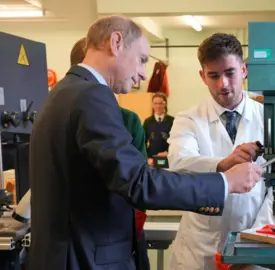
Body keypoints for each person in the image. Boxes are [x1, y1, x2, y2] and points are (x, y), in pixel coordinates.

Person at [28, 16, 263, 270]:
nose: (142, 73)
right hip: (84, 258)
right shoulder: (92, 96)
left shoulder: (63, 92)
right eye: (141, 60)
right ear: (116, 42)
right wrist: (226, 181)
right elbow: (138, 183)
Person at [168, 33, 275, 270]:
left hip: (256, 244)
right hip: (200, 249)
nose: (222, 84)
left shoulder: (270, 118)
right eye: (213, 75)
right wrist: (223, 163)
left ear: (244, 70)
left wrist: (253, 244)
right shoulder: (188, 119)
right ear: (203, 76)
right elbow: (179, 166)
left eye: (230, 73)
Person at [70, 36, 151, 270]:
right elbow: (140, 184)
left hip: (121, 233)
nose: (141, 74)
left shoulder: (129, 120)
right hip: (98, 238)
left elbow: (138, 184)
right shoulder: (75, 109)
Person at [143, 93, 174, 165]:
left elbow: (177, 141)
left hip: (168, 158)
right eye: (155, 103)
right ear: (152, 105)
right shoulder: (147, 122)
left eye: (160, 103)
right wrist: (147, 157)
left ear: (165, 104)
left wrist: (167, 152)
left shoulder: (173, 121)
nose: (158, 106)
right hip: (151, 160)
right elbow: (143, 142)